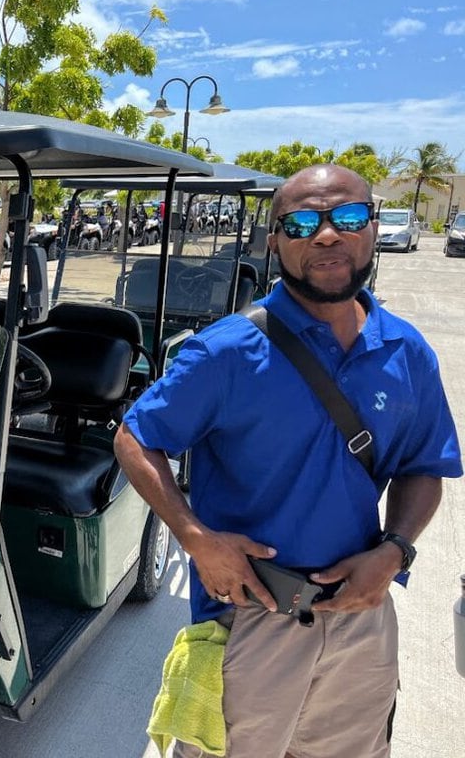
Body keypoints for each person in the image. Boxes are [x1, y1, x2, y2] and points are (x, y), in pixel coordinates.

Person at [114, 164, 462, 758]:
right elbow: (135, 437)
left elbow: (422, 465)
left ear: (373, 228)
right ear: (274, 241)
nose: (327, 235)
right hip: (250, 617)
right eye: (301, 223)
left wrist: (395, 550)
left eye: (347, 217)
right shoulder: (225, 351)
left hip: (363, 616)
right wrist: (198, 539)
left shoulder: (407, 351)